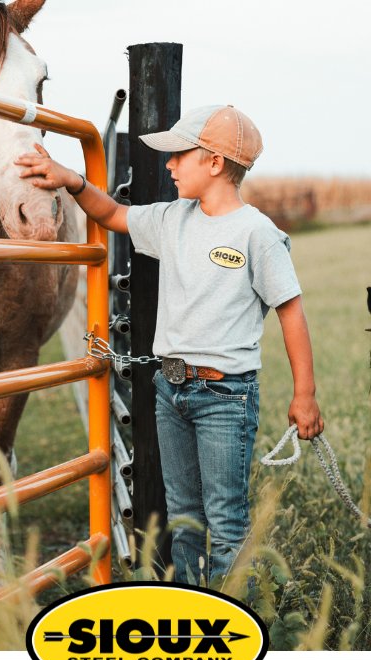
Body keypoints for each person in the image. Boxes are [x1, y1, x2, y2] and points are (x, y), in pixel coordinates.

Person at [17, 105, 323, 589]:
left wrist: (304, 394)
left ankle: (234, 613)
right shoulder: (171, 219)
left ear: (215, 163)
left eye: (180, 155)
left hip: (225, 397)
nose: (169, 164)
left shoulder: (258, 234)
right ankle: (192, 603)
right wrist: (71, 180)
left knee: (225, 520)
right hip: (170, 391)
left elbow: (291, 311)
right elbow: (111, 213)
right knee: (184, 516)